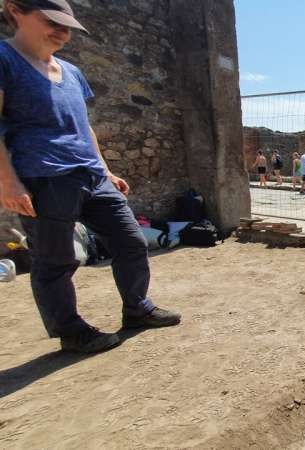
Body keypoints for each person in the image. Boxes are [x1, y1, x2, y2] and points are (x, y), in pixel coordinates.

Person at [0, 0, 180, 353]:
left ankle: (137, 308)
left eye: (67, 25)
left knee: (131, 242)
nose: (62, 31)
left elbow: (85, 127)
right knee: (57, 260)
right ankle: (71, 331)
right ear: (15, 11)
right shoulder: (5, 60)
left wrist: (106, 169)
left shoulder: (72, 72)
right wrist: (7, 181)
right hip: (43, 175)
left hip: (92, 175)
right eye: (52, 21)